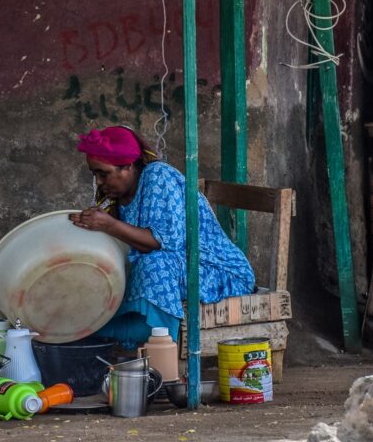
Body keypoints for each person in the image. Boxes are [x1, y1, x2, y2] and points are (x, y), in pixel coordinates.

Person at [69, 126, 255, 349]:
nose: (98, 182)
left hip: (218, 271)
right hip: (179, 270)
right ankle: (101, 331)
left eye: (103, 173)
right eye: (95, 174)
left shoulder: (158, 176)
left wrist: (109, 225)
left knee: (155, 263)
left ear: (127, 166)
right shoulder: (117, 195)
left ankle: (152, 339)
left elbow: (165, 243)